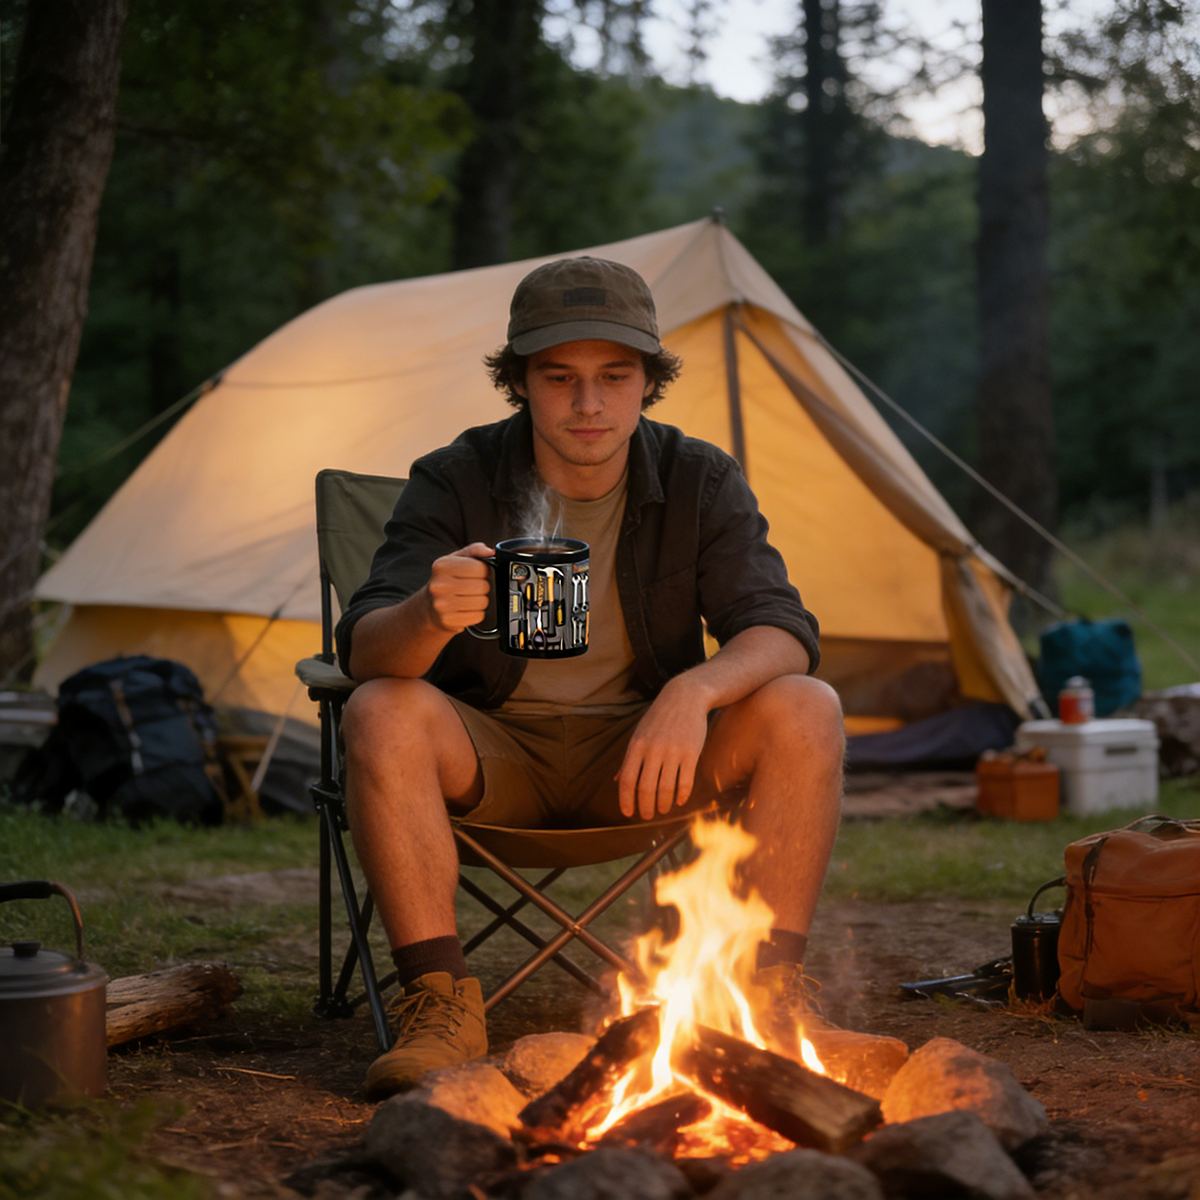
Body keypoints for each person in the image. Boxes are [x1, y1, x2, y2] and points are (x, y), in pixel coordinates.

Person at [335, 256, 844, 1100]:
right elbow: (364, 650)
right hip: (492, 759)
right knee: (382, 708)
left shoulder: (696, 477)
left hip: (644, 759)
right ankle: (440, 1001)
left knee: (805, 706)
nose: (588, 403)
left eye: (614, 376)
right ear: (520, 384)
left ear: (648, 381)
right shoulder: (455, 478)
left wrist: (695, 690)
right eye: (559, 377)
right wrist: (429, 613)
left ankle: (767, 994)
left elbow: (782, 627)